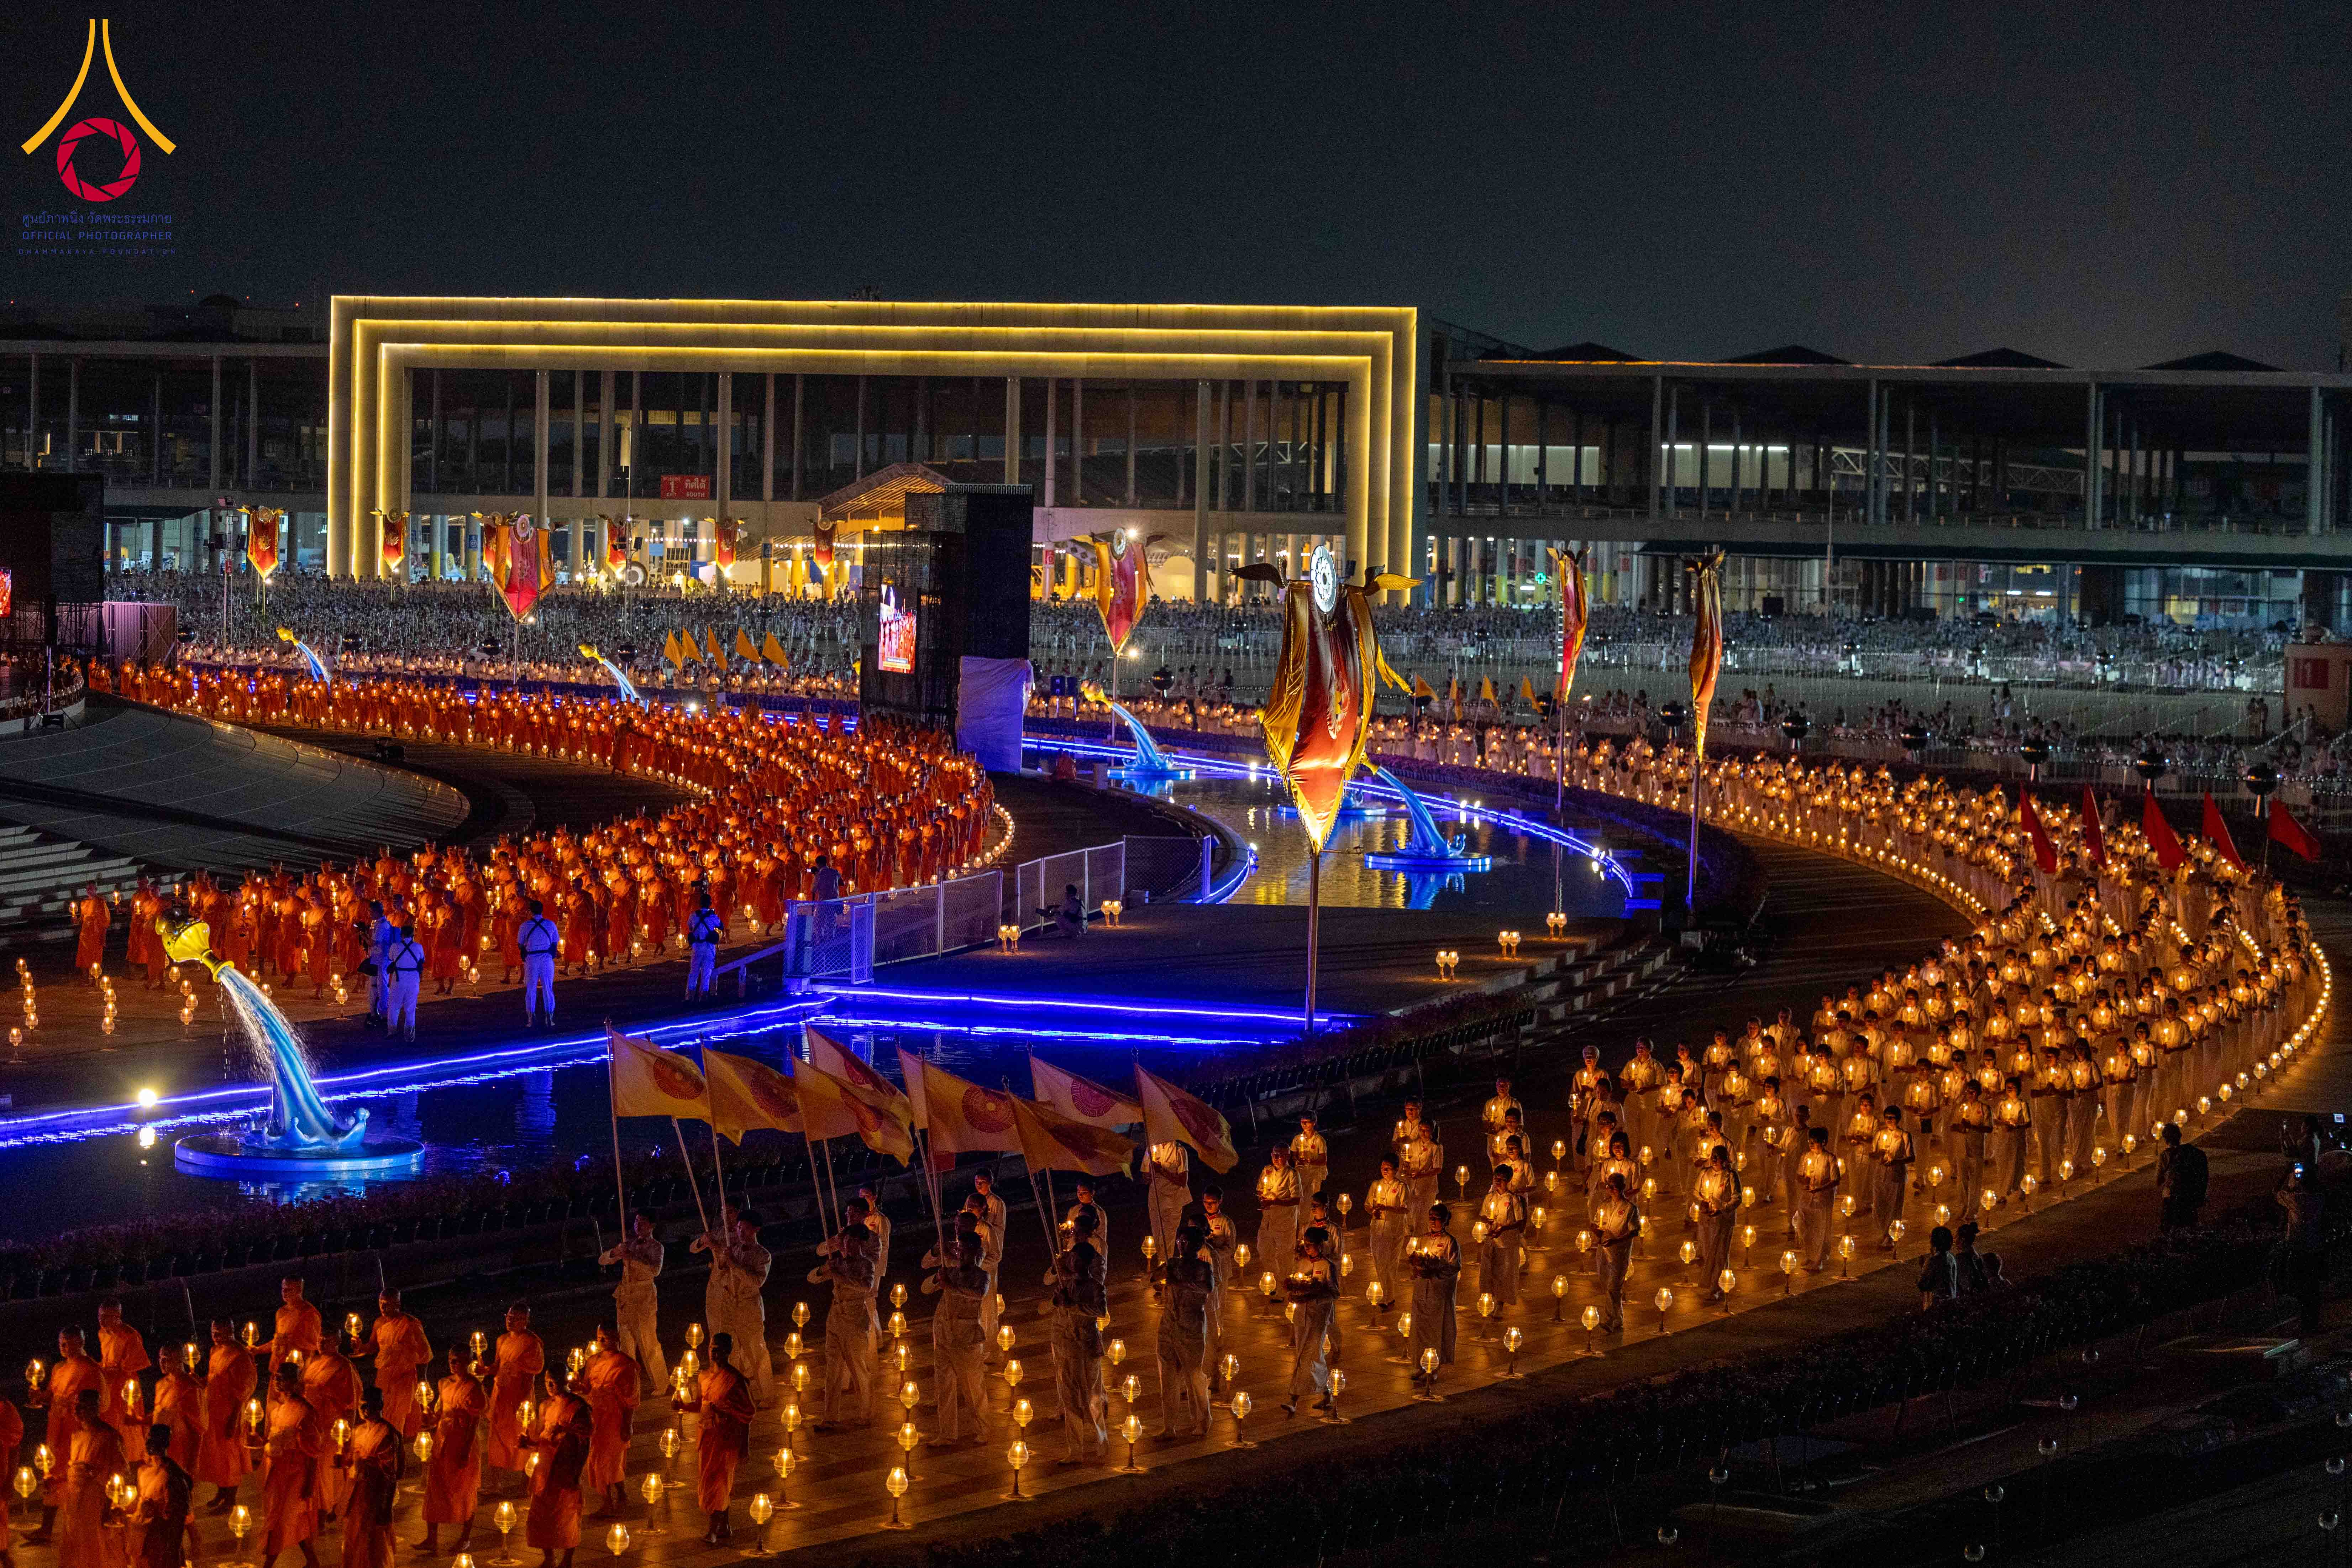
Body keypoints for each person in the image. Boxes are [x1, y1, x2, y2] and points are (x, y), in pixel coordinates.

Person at [25, 1325, 106, 1541]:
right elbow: (51, 1396)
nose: (64, 1347)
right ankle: (46, 1529)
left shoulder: (91, 1369)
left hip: (76, 1431)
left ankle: (82, 1528)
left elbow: (99, 1404)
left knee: (75, 1476)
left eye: (68, 1343)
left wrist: (71, 1408)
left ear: (81, 1343)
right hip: (56, 1429)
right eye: (61, 1343)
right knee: (51, 1474)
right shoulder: (60, 1368)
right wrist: (40, 1397)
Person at [673, 1333, 753, 1546]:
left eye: (718, 1349)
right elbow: (702, 1404)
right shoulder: (704, 1377)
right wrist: (682, 1406)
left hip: (726, 1439)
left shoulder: (735, 1380)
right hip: (707, 1437)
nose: (713, 1353)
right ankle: (725, 1526)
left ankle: (713, 1530)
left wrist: (744, 1444)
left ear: (728, 1352)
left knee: (719, 1483)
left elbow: (747, 1413)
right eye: (711, 1348)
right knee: (713, 1481)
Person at [1045, 1209, 1108, 1463]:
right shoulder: (1066, 1282)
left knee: (1092, 1398)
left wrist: (1073, 1305)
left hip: (1087, 1345)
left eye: (1076, 1260)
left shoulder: (1095, 1286)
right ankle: (1075, 1450)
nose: (1073, 1263)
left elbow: (1100, 1311)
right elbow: (1051, 1290)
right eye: (1071, 1260)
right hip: (1067, 1344)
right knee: (1070, 1397)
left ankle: (1102, 1442)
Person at [691, 1213, 773, 1406]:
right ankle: (730, 1391)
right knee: (731, 1351)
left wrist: (734, 1264)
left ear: (756, 1230)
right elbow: (721, 1272)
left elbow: (756, 1281)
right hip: (728, 1306)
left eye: (745, 1229)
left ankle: (766, 1394)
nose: (740, 1232)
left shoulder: (763, 1255)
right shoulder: (732, 1249)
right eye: (738, 1228)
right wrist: (719, 1255)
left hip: (748, 1307)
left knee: (756, 1351)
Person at [810, 1206, 879, 1430]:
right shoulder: (838, 1261)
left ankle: (866, 1414)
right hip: (835, 1316)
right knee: (833, 1370)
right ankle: (830, 1416)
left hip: (855, 1318)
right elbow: (813, 1279)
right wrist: (824, 1271)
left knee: (858, 1368)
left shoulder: (866, 1264)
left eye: (852, 1241)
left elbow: (866, 1286)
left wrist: (840, 1275)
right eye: (846, 1241)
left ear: (860, 1243)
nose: (847, 1245)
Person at [918, 1233, 990, 1447]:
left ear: (977, 1253)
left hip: (967, 1338)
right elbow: (926, 1289)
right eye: (960, 1251)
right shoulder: (951, 1272)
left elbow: (979, 1294)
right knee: (944, 1386)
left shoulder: (981, 1275)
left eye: (967, 1251)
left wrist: (952, 1287)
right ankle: (947, 1433)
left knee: (973, 1387)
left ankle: (984, 1429)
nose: (963, 1255)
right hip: (945, 1335)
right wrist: (937, 1279)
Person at [417, 1344, 488, 1556]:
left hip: (462, 1440)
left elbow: (475, 1422)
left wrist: (466, 1450)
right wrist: (430, 1417)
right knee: (435, 1488)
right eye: (453, 1361)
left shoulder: (474, 1386)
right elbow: (440, 1411)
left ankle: (465, 1538)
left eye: (461, 1361)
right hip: (443, 1440)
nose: (456, 1365)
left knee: (464, 1490)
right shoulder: (443, 1383)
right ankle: (432, 1538)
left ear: (468, 1362)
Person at [519, 1370, 592, 1568]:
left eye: (555, 1382)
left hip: (567, 1465)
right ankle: (549, 1557)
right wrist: (529, 1442)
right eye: (547, 1382)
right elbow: (542, 1437)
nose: (551, 1387)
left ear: (564, 1381)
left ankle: (567, 1559)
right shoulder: (545, 1406)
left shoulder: (578, 1407)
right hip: (545, 1467)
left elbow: (586, 1438)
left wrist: (577, 1470)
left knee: (567, 1514)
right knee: (541, 1513)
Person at [259, 1360, 326, 1568]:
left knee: (284, 1518)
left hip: (297, 1474)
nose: (278, 1382)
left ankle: (269, 1564)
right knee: (287, 1518)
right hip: (278, 1472)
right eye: (277, 1377)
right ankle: (313, 1561)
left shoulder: (306, 1412)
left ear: (295, 1382)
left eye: (284, 1378)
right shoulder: (277, 1411)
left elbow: (314, 1453)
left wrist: (310, 1484)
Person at [595, 1214, 668, 1396]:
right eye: (636, 1222)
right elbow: (603, 1260)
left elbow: (654, 1271)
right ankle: (629, 1383)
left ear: (652, 1225)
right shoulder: (629, 1243)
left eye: (643, 1222)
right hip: (625, 1298)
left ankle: (662, 1383)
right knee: (625, 1344)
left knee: (647, 1342)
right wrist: (616, 1252)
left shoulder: (657, 1247)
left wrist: (633, 1258)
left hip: (644, 1298)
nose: (639, 1225)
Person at [1154, 1224, 1214, 1437]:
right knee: (1167, 1375)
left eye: (1186, 1242)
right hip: (1168, 1323)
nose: (1181, 1245)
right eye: (1179, 1241)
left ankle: (1203, 1419)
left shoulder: (1203, 1268)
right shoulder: (1173, 1264)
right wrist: (1163, 1272)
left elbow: (1208, 1288)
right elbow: (1151, 1279)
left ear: (1197, 1245)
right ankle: (1169, 1426)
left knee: (1193, 1374)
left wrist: (1182, 1283)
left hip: (1192, 1325)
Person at [56, 1386, 122, 1568]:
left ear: (96, 1408)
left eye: (83, 1407)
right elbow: (74, 1466)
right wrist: (58, 1479)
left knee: (94, 1545)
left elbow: (119, 1471)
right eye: (76, 1406)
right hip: (74, 1500)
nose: (77, 1411)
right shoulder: (77, 1435)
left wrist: (111, 1503)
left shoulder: (109, 1436)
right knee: (73, 1543)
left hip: (95, 1500)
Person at [578, 1326, 640, 1519]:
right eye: (599, 1337)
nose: (603, 1341)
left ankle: (609, 1503)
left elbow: (632, 1399)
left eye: (607, 1337)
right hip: (595, 1417)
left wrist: (628, 1424)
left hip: (614, 1417)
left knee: (609, 1461)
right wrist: (576, 1386)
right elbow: (588, 1387)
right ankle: (619, 1495)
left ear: (617, 1338)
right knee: (598, 1460)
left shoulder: (625, 1364)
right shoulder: (593, 1361)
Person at [196, 1319, 256, 1515]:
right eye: (214, 1333)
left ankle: (231, 1498)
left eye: (221, 1334)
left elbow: (244, 1389)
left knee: (230, 1455)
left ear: (232, 1332)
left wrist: (234, 1419)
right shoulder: (215, 1351)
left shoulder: (239, 1356)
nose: (217, 1337)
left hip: (230, 1412)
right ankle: (221, 1492)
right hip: (213, 1410)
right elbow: (213, 1378)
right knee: (218, 1455)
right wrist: (200, 1381)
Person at [336, 1388, 400, 1568]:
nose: (365, 1410)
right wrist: (343, 1459)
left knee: (373, 1541)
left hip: (375, 1495)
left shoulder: (387, 1433)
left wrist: (386, 1508)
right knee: (354, 1536)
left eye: (369, 1406)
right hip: (357, 1493)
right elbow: (351, 1460)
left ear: (380, 1406)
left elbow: (391, 1475)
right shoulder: (358, 1431)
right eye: (362, 1406)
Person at [359, 1289, 433, 1440]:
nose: (383, 1309)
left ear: (398, 1304)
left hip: (404, 1378)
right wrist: (360, 1347)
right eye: (381, 1304)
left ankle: (395, 1449)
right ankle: (383, 1446)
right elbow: (373, 1347)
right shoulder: (379, 1323)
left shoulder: (411, 1325)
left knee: (397, 1419)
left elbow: (425, 1355)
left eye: (387, 1305)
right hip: (384, 1377)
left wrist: (422, 1381)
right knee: (382, 1413)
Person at [1281, 1226, 1339, 1416]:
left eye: (1311, 1244)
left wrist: (1320, 1289)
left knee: (1307, 1355)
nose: (1307, 1248)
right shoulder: (1302, 1264)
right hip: (1302, 1315)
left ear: (1320, 1245)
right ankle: (1327, 1394)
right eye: (1305, 1244)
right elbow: (1297, 1283)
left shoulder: (1327, 1266)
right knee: (1309, 1355)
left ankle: (1293, 1400)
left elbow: (1335, 1293)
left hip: (1319, 1316)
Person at [486, 1304, 545, 1486]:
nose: (511, 1321)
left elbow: (534, 1371)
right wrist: (486, 1369)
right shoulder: (502, 1340)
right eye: (509, 1317)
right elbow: (498, 1365)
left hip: (519, 1396)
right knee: (496, 1439)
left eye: (516, 1319)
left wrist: (523, 1402)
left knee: (522, 1437)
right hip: (501, 1395)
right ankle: (496, 1483)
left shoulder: (531, 1343)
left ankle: (526, 1482)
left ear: (526, 1321)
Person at [130, 1420, 196, 1568]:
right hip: (142, 1537)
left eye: (157, 1440)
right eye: (149, 1438)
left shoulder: (174, 1477)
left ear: (166, 1443)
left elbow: (179, 1519)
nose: (151, 1443)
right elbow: (139, 1503)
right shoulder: (143, 1472)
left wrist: (173, 1551)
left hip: (163, 1541)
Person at [1405, 1203, 1461, 1377]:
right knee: (1420, 1328)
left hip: (1439, 1292)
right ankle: (1420, 1365)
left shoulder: (1450, 1242)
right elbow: (1416, 1259)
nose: (1433, 1221)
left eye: (1437, 1218)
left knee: (1436, 1330)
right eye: (1431, 1217)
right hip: (1422, 1290)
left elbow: (1455, 1267)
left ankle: (1433, 1367)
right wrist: (1418, 1266)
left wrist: (1437, 1268)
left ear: (1445, 1221)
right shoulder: (1423, 1239)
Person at [2278, 1163, 2328, 1332]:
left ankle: (2306, 1325)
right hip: (2315, 1248)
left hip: (2299, 1250)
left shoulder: (2297, 1200)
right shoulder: (2319, 1198)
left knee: (2301, 1287)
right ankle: (2313, 1323)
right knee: (2313, 1288)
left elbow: (2275, 1193)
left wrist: (2286, 1174)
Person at [1590, 1174, 1639, 1332]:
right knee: (1608, 1285)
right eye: (1609, 1187)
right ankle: (1618, 1319)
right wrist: (1596, 1231)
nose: (1611, 1190)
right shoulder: (1604, 1205)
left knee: (1613, 1286)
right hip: (1604, 1250)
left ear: (1623, 1187)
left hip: (1620, 1252)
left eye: (1614, 1187)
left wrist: (1616, 1241)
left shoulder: (1630, 1209)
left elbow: (1634, 1232)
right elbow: (1598, 1224)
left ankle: (1609, 1320)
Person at [1476, 1165, 1525, 1309]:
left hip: (1507, 1243)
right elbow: (1484, 1215)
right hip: (1492, 1240)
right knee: (1488, 1272)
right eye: (1496, 1178)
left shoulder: (1513, 1199)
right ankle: (1488, 1301)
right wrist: (1489, 1222)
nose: (1498, 1182)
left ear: (1508, 1180)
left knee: (1504, 1274)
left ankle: (1500, 1305)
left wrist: (1504, 1228)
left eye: (1502, 1179)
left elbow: (1519, 1221)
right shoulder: (1490, 1198)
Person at [1364, 1155, 1408, 1311]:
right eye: (1383, 1167)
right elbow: (1368, 1205)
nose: (1384, 1171)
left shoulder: (1402, 1187)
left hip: (1394, 1230)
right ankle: (1388, 1295)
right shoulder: (1376, 1185)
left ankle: (1389, 1297)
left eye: (1388, 1168)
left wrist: (1388, 1209)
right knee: (1380, 1262)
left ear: (1396, 1170)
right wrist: (1373, 1211)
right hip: (1377, 1229)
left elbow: (1405, 1208)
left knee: (1390, 1263)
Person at [1796, 1125, 1841, 1272]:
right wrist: (1805, 1180)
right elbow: (1799, 1175)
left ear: (1823, 1142)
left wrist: (1821, 1188)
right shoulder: (1806, 1157)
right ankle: (1810, 1255)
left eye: (1814, 1142)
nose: (1811, 1145)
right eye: (1810, 1142)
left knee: (1820, 1230)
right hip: (1806, 1198)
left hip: (1822, 1200)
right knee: (1805, 1227)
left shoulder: (1830, 1159)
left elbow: (1836, 1180)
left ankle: (1818, 1260)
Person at [1254, 1145, 1301, 1281]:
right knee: (1263, 1252)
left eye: (1280, 1155)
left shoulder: (1292, 1174)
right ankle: (1274, 1280)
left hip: (1285, 1223)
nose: (1276, 1158)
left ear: (1287, 1157)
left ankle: (1285, 1289)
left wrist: (1275, 1202)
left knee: (1285, 1257)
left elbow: (1296, 1199)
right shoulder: (1267, 1170)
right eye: (1274, 1155)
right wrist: (1262, 1198)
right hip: (1268, 1221)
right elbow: (1260, 1190)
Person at [1145, 1138, 1191, 1269]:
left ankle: (1165, 1272)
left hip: (1172, 1201)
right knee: (1157, 1238)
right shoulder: (1152, 1148)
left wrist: (1162, 1170)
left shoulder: (1179, 1151)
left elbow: (1183, 1181)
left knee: (1167, 1239)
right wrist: (1149, 1174)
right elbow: (1145, 1176)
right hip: (1155, 1199)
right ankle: (1163, 1268)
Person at [518, 898, 561, 1028]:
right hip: (547, 958)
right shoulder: (551, 924)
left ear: (530, 911)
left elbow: (520, 944)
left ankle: (531, 1019)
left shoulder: (525, 926)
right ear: (543, 910)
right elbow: (555, 942)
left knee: (531, 989)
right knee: (548, 988)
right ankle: (550, 1019)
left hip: (532, 959)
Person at [2157, 1123, 2208, 1230]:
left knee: (2169, 1228)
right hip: (2189, 1195)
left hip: (2171, 1197)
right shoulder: (2194, 1152)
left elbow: (2159, 1181)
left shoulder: (2165, 1156)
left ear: (2166, 1140)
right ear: (2180, 1136)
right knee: (2190, 1226)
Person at [383, 922, 425, 1041]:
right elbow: (422, 960)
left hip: (398, 980)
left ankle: (392, 1032)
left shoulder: (395, 946)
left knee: (394, 1007)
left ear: (401, 935)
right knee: (411, 1009)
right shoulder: (419, 947)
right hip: (413, 981)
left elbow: (391, 958)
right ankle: (410, 1036)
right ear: (413, 935)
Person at [685, 890, 723, 1000]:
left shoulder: (693, 915)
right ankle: (704, 996)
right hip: (708, 948)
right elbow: (721, 926)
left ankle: (690, 997)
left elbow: (690, 927)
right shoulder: (712, 917)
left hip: (697, 947)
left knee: (694, 972)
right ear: (710, 904)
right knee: (707, 973)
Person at [1918, 1226, 1960, 1310]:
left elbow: (1924, 1285)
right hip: (1951, 1300)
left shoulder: (1933, 1261)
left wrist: (1924, 1268)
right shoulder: (1951, 1257)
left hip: (1937, 1305)